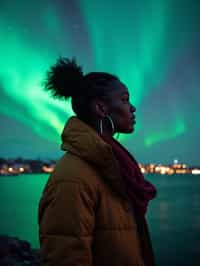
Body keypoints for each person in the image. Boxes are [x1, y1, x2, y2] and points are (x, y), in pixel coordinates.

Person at [38, 57, 157, 266]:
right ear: (101, 109)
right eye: (125, 100)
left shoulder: (113, 165)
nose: (133, 108)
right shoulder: (73, 178)